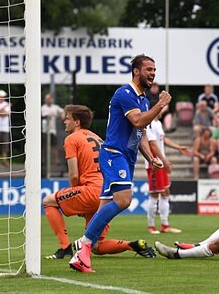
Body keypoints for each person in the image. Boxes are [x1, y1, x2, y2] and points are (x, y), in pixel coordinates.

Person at [69, 54, 171, 273]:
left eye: (154, 69)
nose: (153, 73)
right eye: (148, 69)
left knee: (104, 210)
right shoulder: (125, 93)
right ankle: (83, 246)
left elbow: (140, 132)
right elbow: (138, 120)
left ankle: (85, 249)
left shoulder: (143, 100)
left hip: (127, 158)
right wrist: (160, 105)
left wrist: (150, 157)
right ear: (136, 71)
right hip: (114, 154)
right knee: (124, 200)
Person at [43, 105, 155, 260]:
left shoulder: (71, 139)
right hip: (106, 194)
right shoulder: (98, 138)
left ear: (77, 122)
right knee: (94, 245)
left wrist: (77, 196)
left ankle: (64, 248)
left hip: (89, 191)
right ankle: (132, 245)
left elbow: (74, 175)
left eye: (68, 118)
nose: (64, 121)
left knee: (48, 201)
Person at [145, 109, 191, 234]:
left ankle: (165, 224)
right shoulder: (148, 124)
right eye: (162, 107)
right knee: (155, 194)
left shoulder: (158, 123)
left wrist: (178, 147)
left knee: (165, 192)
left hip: (161, 161)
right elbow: (153, 145)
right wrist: (164, 161)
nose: (164, 110)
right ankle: (151, 226)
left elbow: (162, 140)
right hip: (154, 162)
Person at [41, 93, 64, 175]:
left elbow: (62, 112)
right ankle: (43, 160)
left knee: (54, 145)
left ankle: (56, 159)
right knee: (43, 146)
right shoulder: (42, 108)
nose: (48, 100)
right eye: (47, 99)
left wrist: (61, 116)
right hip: (44, 130)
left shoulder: (55, 107)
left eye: (49, 98)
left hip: (52, 130)